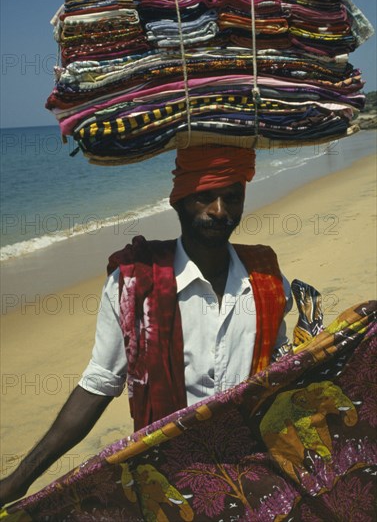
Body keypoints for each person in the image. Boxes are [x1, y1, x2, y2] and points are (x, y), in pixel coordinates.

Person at [0, 145, 291, 506]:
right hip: (171, 476)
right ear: (178, 201)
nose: (219, 211)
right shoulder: (134, 286)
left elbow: (283, 370)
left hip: (255, 469)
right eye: (204, 197)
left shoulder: (267, 279)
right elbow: (100, 383)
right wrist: (18, 481)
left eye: (231, 197)